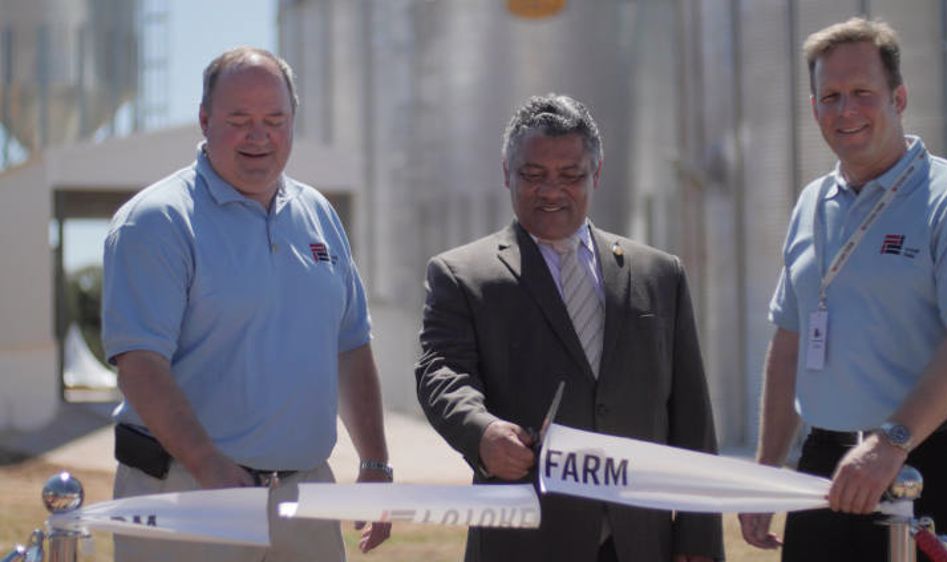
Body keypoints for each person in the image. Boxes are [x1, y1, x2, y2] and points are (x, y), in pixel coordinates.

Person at [101, 47, 392, 562]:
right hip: (187, 493)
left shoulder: (318, 215)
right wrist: (207, 462)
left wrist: (374, 462)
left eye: (274, 120)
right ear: (204, 120)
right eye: (239, 120)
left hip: (304, 499)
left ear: (292, 123)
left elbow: (349, 346)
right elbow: (140, 366)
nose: (259, 136)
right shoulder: (157, 222)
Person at [415, 93, 724, 562]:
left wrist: (700, 537)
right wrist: (481, 431)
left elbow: (692, 417)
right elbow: (440, 374)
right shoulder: (462, 276)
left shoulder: (659, 275)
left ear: (596, 174)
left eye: (571, 176)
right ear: (506, 173)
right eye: (533, 175)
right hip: (524, 540)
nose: (551, 191)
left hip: (643, 542)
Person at [738, 17, 947, 562]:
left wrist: (891, 443)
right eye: (830, 96)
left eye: (862, 93)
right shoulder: (811, 204)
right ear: (813, 110)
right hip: (824, 469)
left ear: (899, 97)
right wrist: (765, 468)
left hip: (931, 465)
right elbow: (788, 343)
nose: (845, 110)